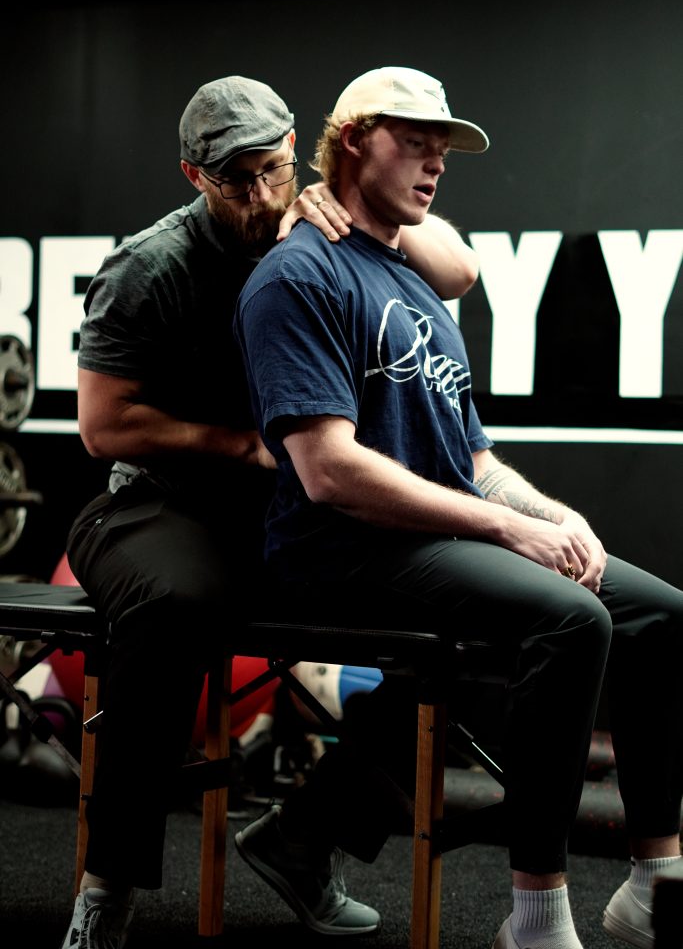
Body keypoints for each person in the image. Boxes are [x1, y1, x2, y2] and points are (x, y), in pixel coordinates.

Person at [233, 65, 683, 949]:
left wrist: (550, 515)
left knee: (659, 614)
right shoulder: (298, 276)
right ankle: (536, 914)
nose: (435, 166)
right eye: (416, 145)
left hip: (424, 533)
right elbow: (327, 472)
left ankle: (655, 880)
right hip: (337, 549)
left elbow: (470, 458)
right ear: (354, 139)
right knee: (566, 620)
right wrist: (510, 529)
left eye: (444, 152)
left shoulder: (413, 281)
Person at [58, 72, 481, 949]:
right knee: (176, 607)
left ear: (299, 154)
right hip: (156, 512)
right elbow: (102, 428)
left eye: (273, 172)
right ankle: (107, 887)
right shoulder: (153, 265)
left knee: (472, 614)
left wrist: (347, 200)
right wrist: (237, 444)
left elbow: (460, 272)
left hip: (284, 516)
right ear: (193, 175)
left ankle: (302, 837)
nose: (258, 197)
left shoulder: (321, 227)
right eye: (235, 179)